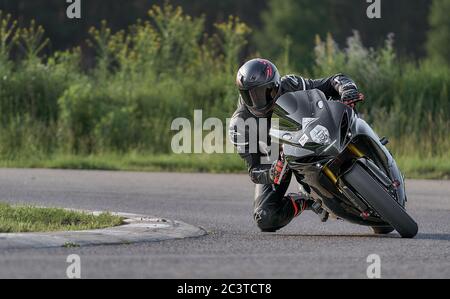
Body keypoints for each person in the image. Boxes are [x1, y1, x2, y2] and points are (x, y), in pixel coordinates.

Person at [229, 58, 364, 232]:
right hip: (276, 161)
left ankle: (368, 146)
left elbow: (331, 81)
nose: (258, 100)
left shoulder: (290, 84)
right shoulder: (240, 124)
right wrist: (271, 173)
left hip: (314, 135)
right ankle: (306, 201)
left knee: (347, 104)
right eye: (251, 94)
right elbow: (254, 171)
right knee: (265, 217)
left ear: (276, 85)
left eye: (265, 91)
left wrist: (346, 88)